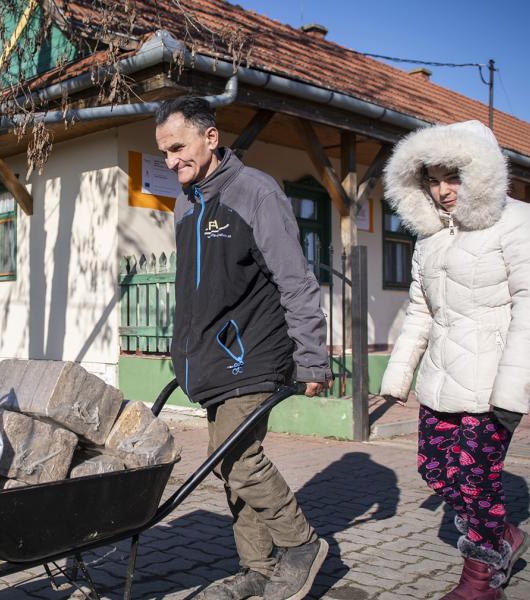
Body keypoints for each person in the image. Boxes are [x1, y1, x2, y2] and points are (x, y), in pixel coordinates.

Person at [155, 96, 331, 600]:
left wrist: (311, 358)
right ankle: (258, 568)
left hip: (252, 352)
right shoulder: (186, 202)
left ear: (211, 137)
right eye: (164, 153)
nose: (171, 162)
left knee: (236, 459)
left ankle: (301, 545)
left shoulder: (255, 192)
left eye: (178, 148)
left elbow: (296, 280)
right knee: (235, 463)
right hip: (212, 357)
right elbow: (198, 288)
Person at [379, 120, 530, 599]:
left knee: (476, 479)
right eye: (433, 180)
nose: (442, 191)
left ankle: (482, 576)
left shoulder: (520, 220)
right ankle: (504, 535)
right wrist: (398, 375)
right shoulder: (430, 239)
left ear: (480, 171)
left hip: (494, 381)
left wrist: (514, 390)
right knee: (434, 469)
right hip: (442, 379)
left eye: (452, 176)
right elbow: (420, 311)